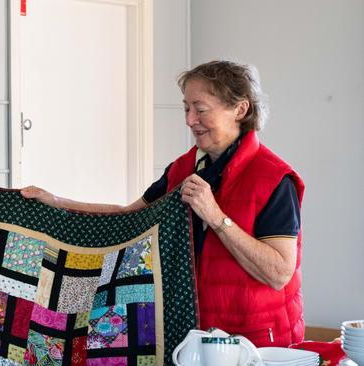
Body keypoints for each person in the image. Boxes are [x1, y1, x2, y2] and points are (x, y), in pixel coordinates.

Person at [21, 60, 305, 347]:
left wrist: (217, 218)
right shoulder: (183, 169)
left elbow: (279, 273)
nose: (190, 120)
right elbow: (127, 217)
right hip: (194, 336)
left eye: (200, 109)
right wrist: (55, 202)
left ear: (240, 110)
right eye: (186, 108)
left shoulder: (274, 179)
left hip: (257, 342)